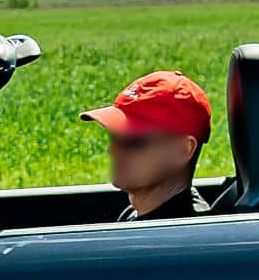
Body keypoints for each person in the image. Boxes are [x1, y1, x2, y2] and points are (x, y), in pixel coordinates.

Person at [82, 69, 213, 219]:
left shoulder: (185, 229)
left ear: (184, 150)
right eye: (114, 136)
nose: (113, 150)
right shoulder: (136, 214)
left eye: (133, 141)